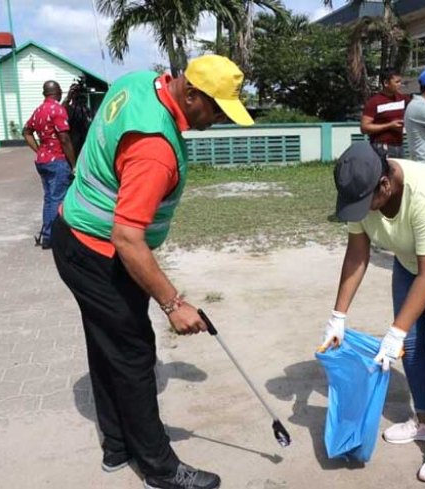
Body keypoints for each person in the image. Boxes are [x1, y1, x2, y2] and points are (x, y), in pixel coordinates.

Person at [51, 55, 254, 489]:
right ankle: (159, 468)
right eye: (216, 110)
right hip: (97, 250)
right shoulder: (154, 149)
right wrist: (173, 304)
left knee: (107, 343)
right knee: (134, 354)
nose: (217, 120)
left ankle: (117, 447)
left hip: (75, 235)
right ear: (192, 94)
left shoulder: (141, 82)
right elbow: (128, 239)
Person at [322, 142, 425, 483]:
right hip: (410, 259)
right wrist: (338, 316)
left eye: (364, 203)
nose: (360, 211)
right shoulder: (364, 191)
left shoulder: (423, 193)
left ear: (385, 185)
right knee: (410, 346)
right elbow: (357, 254)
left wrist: (395, 330)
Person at [23, 80, 76, 250]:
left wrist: (39, 150)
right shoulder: (58, 109)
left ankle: (47, 235)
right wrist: (74, 164)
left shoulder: (39, 110)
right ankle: (52, 238)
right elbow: (65, 139)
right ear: (57, 92)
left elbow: (26, 131)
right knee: (57, 198)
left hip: (43, 161)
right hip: (57, 161)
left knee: (49, 198)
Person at [361, 69, 409, 158]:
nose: (400, 85)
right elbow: (364, 128)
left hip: (399, 145)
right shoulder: (374, 102)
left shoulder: (402, 99)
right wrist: (389, 125)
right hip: (381, 147)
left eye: (400, 82)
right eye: (397, 82)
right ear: (386, 83)